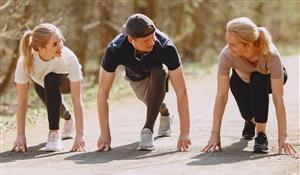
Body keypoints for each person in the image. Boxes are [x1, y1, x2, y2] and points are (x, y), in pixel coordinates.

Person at [203, 17, 296, 155]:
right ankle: (250, 121)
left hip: (267, 80)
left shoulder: (270, 54)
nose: (228, 47)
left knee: (257, 78)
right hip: (241, 80)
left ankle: (261, 135)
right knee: (248, 113)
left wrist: (283, 136)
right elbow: (221, 96)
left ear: (248, 45)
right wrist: (215, 133)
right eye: (227, 42)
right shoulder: (227, 55)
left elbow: (278, 98)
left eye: (233, 44)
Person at [97, 13, 191, 151]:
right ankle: (165, 113)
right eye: (146, 41)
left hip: (157, 74)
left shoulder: (166, 46)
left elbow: (182, 91)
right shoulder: (115, 49)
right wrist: (104, 134)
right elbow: (102, 94)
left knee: (159, 71)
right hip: (137, 78)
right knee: (153, 103)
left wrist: (185, 133)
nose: (152, 43)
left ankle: (147, 130)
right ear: (131, 40)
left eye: (152, 37)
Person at [12, 23, 85, 152]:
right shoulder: (25, 61)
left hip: (67, 80)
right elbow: (22, 101)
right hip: (42, 84)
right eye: (54, 44)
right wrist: (20, 135)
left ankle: (54, 134)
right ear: (40, 48)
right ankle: (68, 119)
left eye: (60, 41)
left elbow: (76, 99)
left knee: (50, 79)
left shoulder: (69, 57)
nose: (60, 46)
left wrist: (80, 135)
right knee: (51, 98)